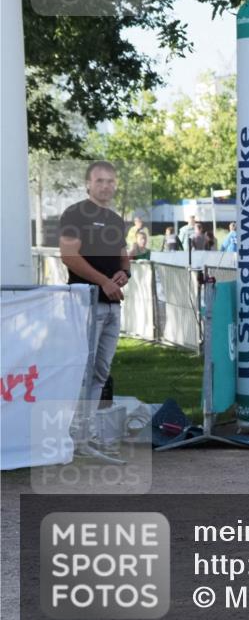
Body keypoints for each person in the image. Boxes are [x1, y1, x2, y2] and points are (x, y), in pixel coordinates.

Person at [59, 160, 129, 464]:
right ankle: (67, 434)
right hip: (86, 302)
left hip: (113, 305)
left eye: (111, 181)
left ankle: (83, 437)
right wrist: (102, 282)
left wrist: (124, 275)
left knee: (100, 371)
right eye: (100, 181)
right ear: (88, 184)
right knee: (81, 371)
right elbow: (69, 256)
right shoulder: (74, 214)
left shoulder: (115, 219)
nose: (106, 186)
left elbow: (124, 258)